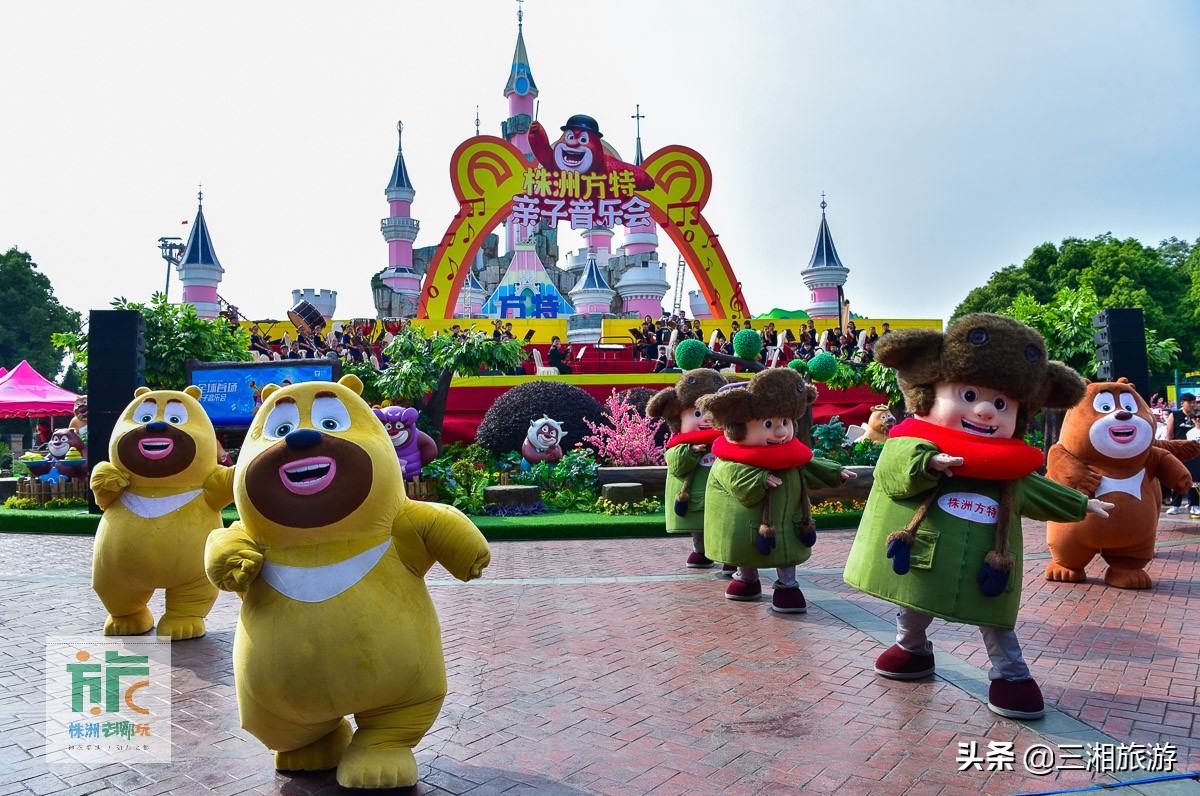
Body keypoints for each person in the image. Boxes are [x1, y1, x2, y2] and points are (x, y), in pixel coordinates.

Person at [843, 313, 1112, 720]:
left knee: (994, 618)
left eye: (1001, 404)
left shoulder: (1007, 469)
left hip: (989, 560)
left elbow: (1035, 489)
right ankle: (911, 649)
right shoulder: (912, 443)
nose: (986, 410)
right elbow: (893, 471)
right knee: (915, 603)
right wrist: (929, 461)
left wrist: (1080, 503)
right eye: (968, 395)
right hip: (925, 553)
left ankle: (1011, 676)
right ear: (929, 393)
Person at [1164, 393, 1200, 515]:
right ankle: (1175, 505)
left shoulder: (1197, 415)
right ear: (1182, 403)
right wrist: (1169, 450)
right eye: (1189, 402)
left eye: (1194, 402)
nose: (1192, 405)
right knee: (1178, 477)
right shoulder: (1175, 415)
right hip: (1179, 450)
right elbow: (1169, 435)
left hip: (1194, 452)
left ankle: (1194, 504)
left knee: (1194, 478)